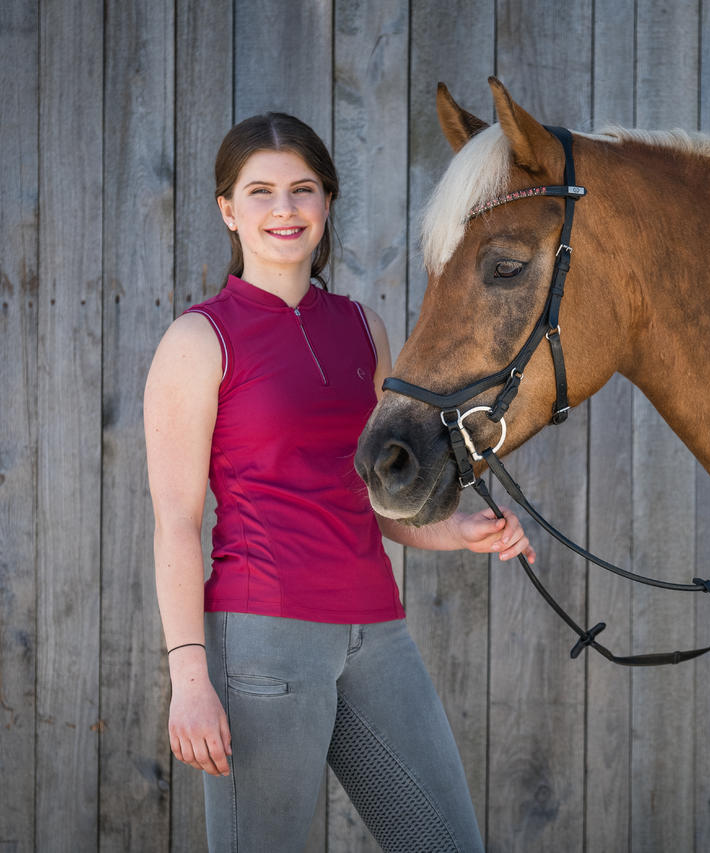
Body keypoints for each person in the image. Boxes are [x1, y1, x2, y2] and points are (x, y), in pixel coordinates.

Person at [144, 112, 535, 852]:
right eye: (260, 192)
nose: (284, 209)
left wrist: (458, 531)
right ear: (227, 209)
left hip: (377, 637)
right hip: (262, 646)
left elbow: (373, 495)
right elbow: (174, 521)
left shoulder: (364, 329)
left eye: (302, 190)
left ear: (326, 203)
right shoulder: (199, 341)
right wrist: (189, 677)